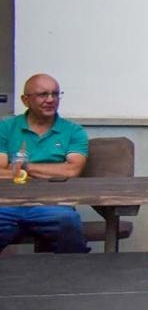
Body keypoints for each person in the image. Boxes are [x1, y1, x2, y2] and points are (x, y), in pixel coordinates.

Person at [0, 73, 90, 253]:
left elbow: (72, 170)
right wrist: (51, 171)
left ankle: (73, 276)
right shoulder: (6, 127)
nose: (51, 100)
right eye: (43, 94)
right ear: (25, 100)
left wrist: (25, 167)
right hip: (7, 204)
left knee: (68, 222)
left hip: (53, 204)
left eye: (55, 94)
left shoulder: (73, 131)